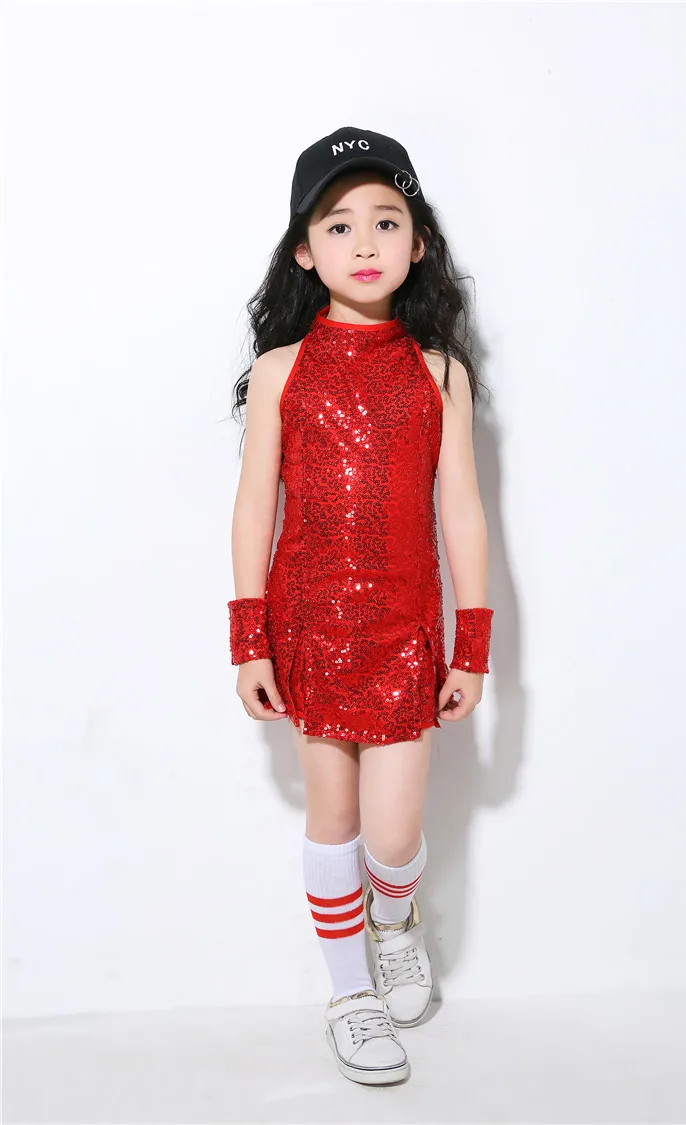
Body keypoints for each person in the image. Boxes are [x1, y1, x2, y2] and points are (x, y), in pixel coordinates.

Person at [227, 126, 493, 1086]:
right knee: (332, 818)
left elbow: (461, 510)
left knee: (392, 833)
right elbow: (254, 508)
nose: (365, 242)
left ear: (418, 242)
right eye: (339, 225)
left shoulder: (439, 371)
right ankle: (350, 996)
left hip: (403, 638)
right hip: (308, 634)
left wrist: (472, 648)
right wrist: (249, 640)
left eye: (387, 221)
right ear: (305, 250)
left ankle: (395, 917)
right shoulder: (282, 370)